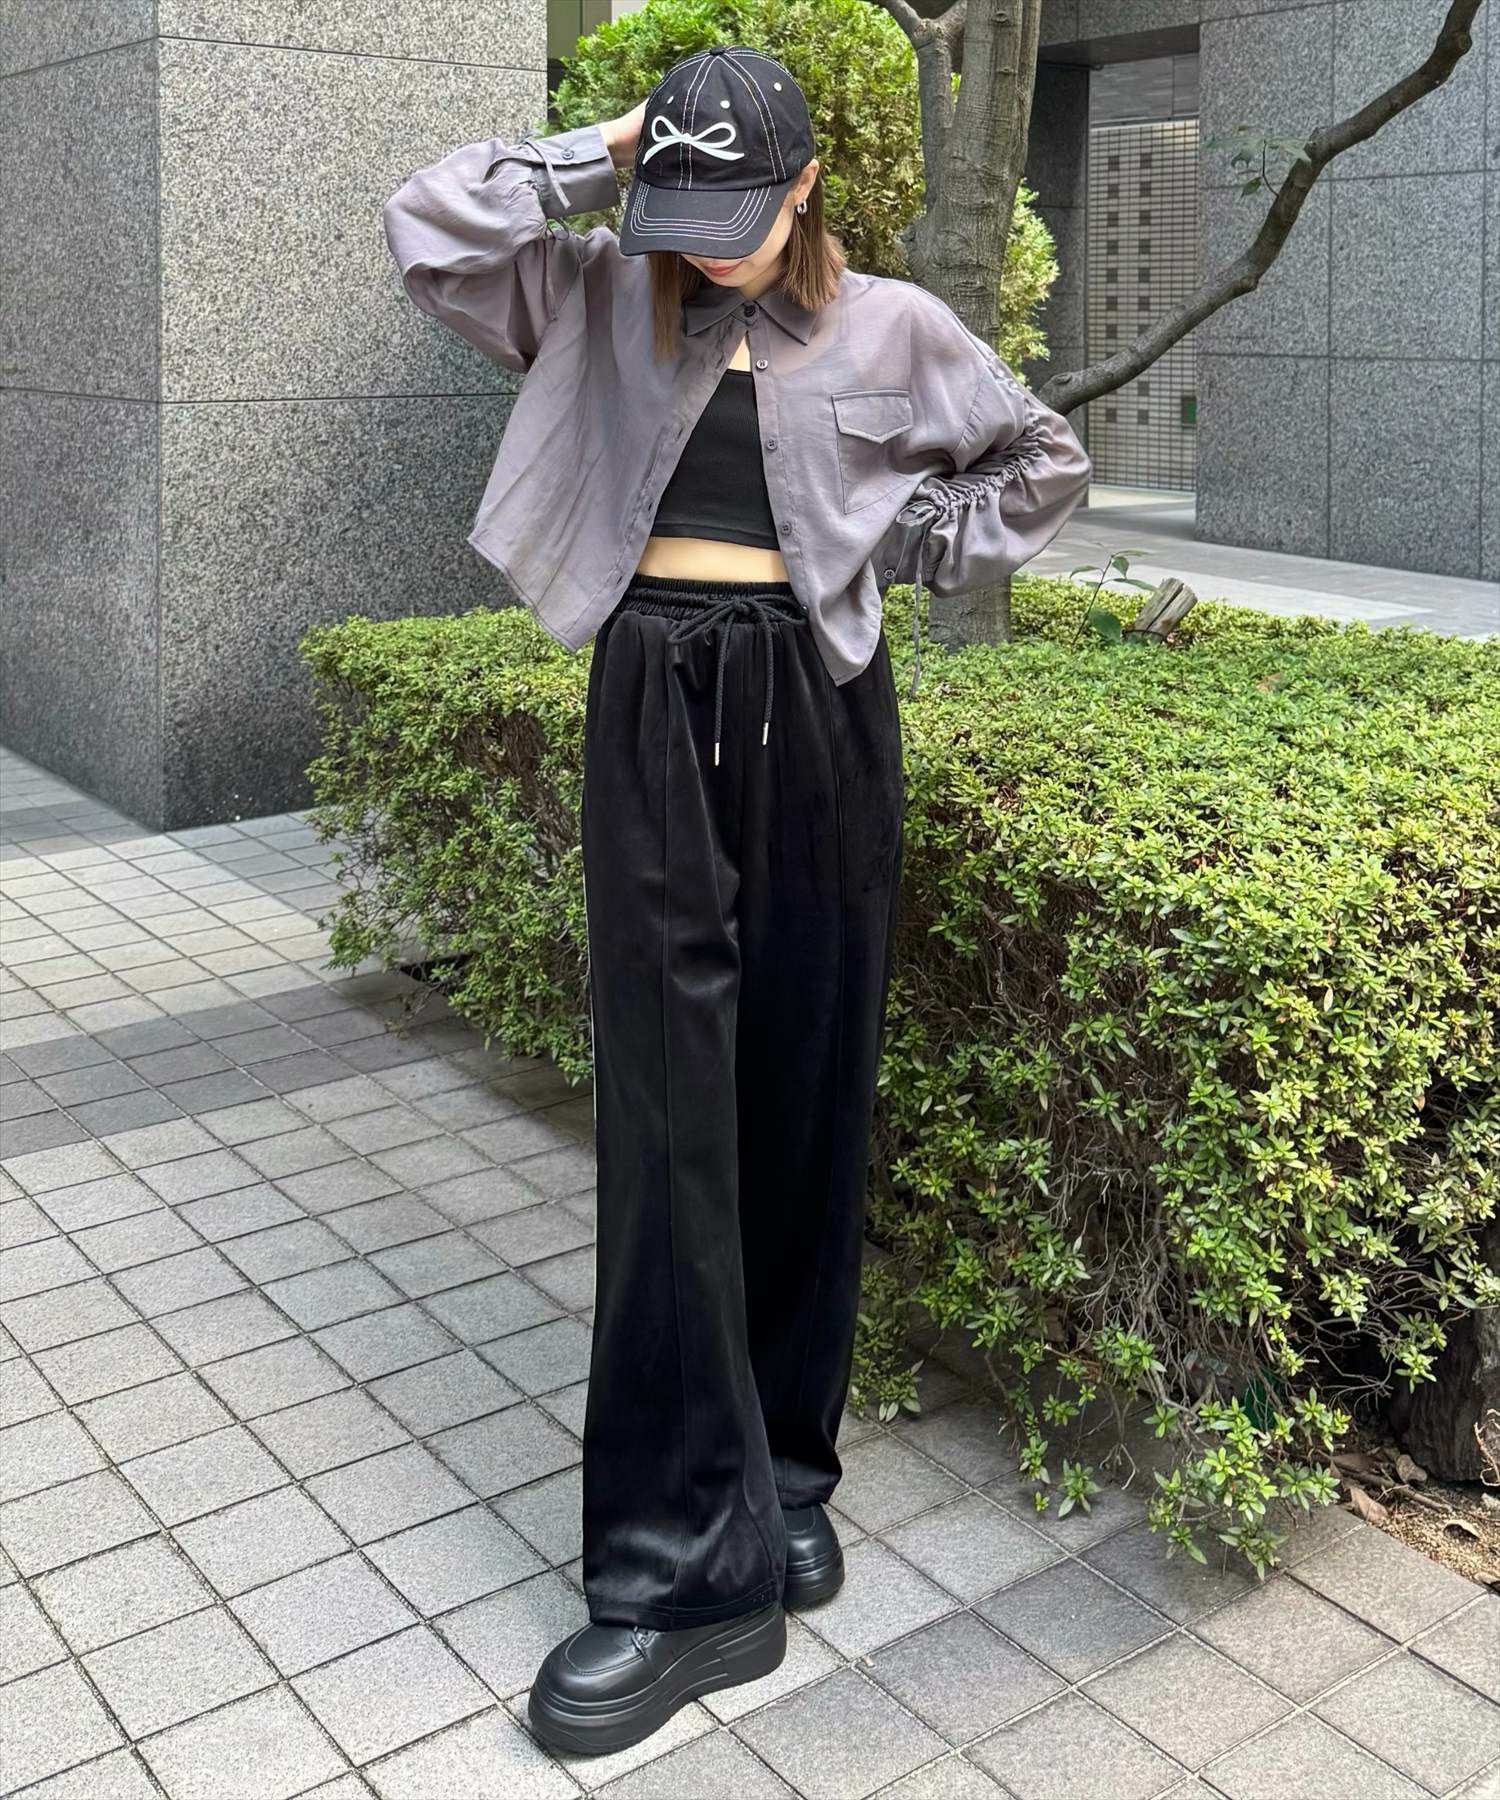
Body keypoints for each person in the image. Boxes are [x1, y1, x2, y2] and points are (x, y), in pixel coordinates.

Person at [382, 44, 1091, 1757]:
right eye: (679, 215)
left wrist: (902, 540)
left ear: (807, 189)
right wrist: (614, 150)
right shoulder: (596, 286)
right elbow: (429, 228)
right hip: (654, 694)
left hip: (821, 705)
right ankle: (682, 1578)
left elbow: (1041, 457)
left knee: (804, 1088)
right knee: (669, 1116)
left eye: (736, 216)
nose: (702, 250)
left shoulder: (896, 326)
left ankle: (784, 1470)